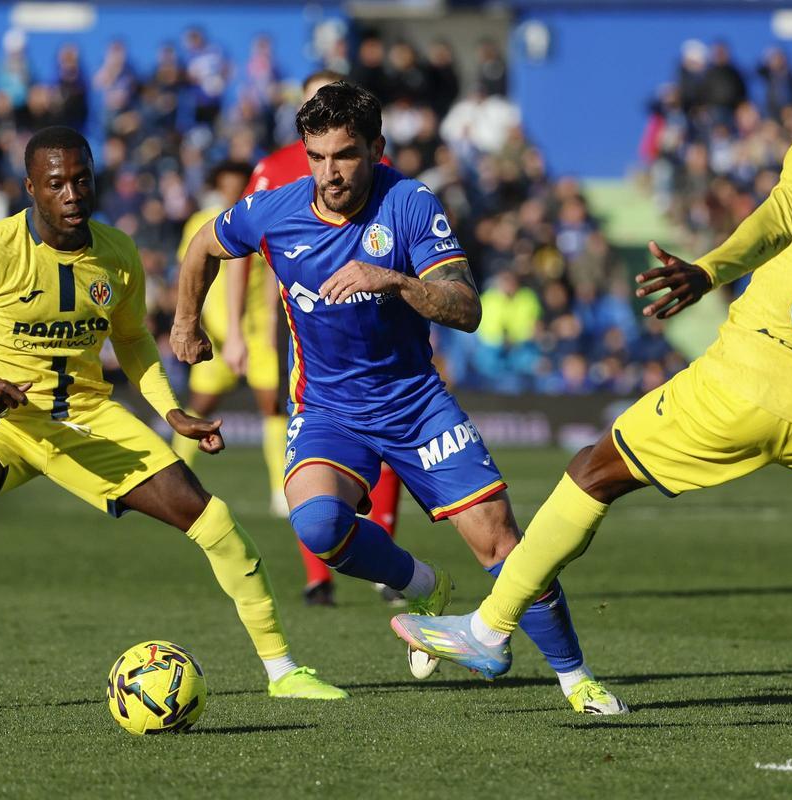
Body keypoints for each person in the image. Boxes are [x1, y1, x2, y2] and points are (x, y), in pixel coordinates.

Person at [393, 30, 792, 729]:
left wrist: (708, 270)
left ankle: (488, 631)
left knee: (594, 472)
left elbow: (775, 223)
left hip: (748, 383)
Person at [171, 82, 624, 714]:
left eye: (346, 156)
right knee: (317, 525)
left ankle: (578, 681)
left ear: (377, 149)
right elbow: (201, 246)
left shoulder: (410, 204)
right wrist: (186, 322)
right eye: (317, 156)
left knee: (501, 545)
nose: (329, 173)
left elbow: (466, 307)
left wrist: (395, 280)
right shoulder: (273, 209)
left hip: (415, 402)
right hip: (328, 407)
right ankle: (425, 587)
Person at [0, 125, 345, 703]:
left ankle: (283, 671)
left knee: (216, 521)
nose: (72, 194)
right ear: (32, 188)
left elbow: (132, 343)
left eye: (82, 180)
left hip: (86, 421)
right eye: (56, 184)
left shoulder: (118, 253)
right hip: (1, 424)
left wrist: (171, 411)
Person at [225, 69, 406, 608]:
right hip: (297, 318)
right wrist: (235, 328)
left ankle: (384, 560)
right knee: (302, 433)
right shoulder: (274, 168)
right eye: (314, 102)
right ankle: (319, 573)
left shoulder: (374, 167)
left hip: (377, 318)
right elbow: (232, 246)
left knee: (387, 432)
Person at [171, 160, 289, 523]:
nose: (235, 191)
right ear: (218, 185)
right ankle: (175, 481)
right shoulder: (200, 223)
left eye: (241, 184)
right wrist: (196, 324)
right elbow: (190, 275)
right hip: (215, 334)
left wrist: (271, 322)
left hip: (257, 334)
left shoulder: (259, 219)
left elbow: (273, 271)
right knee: (198, 409)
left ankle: (280, 491)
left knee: (274, 407)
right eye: (228, 184)